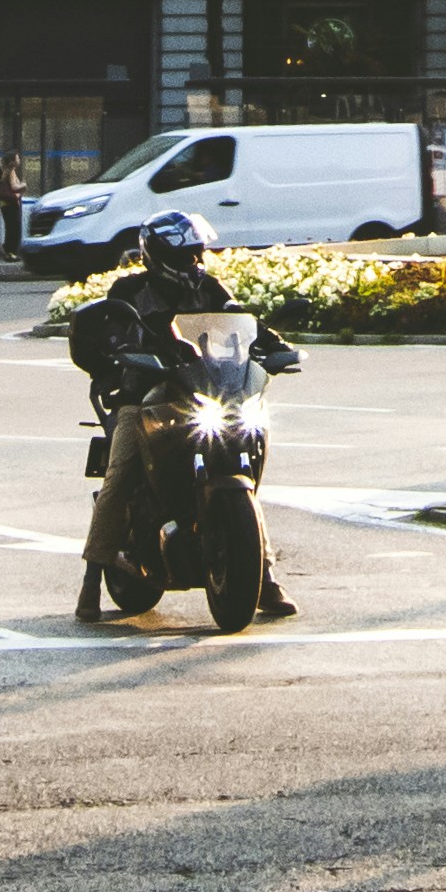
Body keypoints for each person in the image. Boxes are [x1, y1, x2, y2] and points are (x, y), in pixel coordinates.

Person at [67, 213, 295, 621]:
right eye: (185, 255)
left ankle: (264, 577)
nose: (194, 262)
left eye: (197, 254)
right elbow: (113, 329)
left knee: (243, 467)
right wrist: (124, 348)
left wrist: (277, 345)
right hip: (145, 396)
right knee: (121, 472)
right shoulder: (131, 290)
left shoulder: (208, 287)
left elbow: (242, 319)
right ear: (158, 256)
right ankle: (92, 577)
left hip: (207, 394)